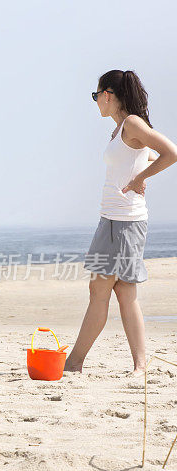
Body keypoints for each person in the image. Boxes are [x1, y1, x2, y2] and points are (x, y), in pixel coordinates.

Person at [65, 70, 177, 375]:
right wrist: (142, 168)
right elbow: (149, 155)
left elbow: (171, 153)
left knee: (101, 291)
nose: (95, 102)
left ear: (108, 94)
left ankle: (74, 364)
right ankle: (139, 365)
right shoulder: (120, 130)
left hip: (125, 222)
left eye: (95, 95)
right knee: (124, 293)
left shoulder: (132, 124)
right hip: (112, 220)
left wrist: (140, 178)